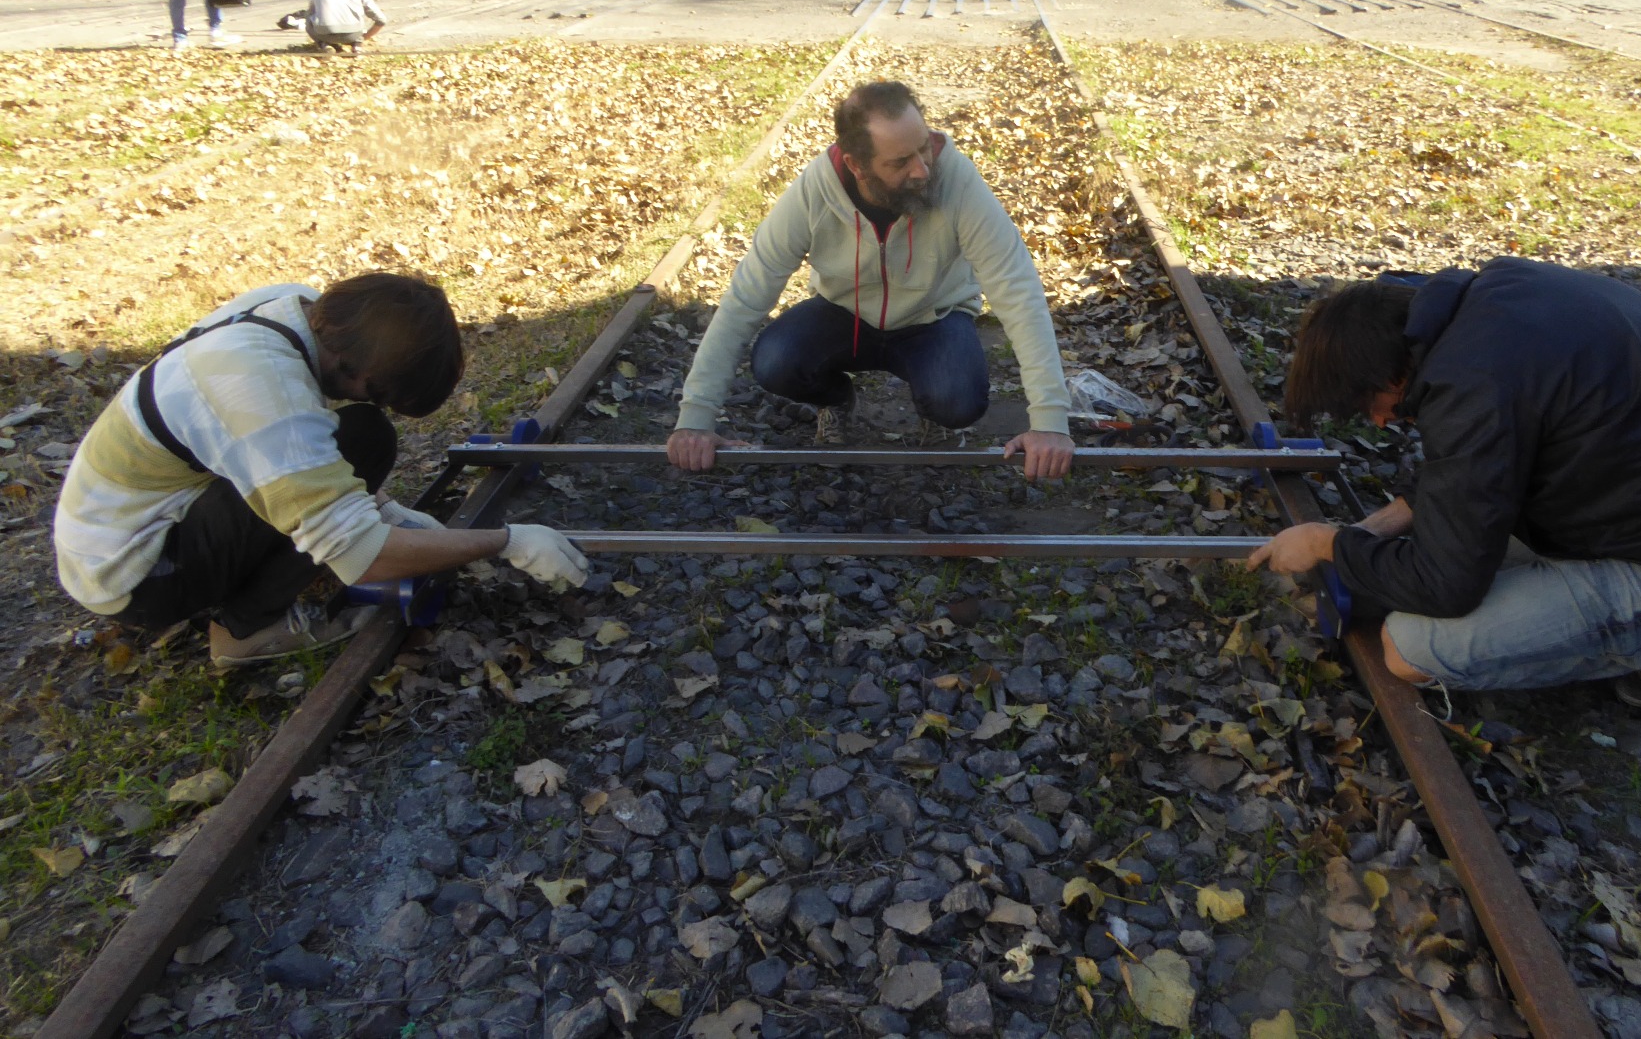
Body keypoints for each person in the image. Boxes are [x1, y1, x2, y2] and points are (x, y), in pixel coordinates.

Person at [1248, 257, 1641, 708]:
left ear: (1391, 376)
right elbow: (1476, 463)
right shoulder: (1484, 306)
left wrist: (1327, 542)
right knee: (1415, 559)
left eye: (1372, 406)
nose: (1379, 421)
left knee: (1410, 647)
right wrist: (1371, 529)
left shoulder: (1476, 387)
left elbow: (1446, 586)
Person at [54, 274, 590, 667]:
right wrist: (506, 541)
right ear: (349, 365)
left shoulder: (293, 309)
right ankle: (243, 631)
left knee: (360, 433)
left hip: (149, 512)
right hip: (136, 574)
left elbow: (271, 453)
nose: (376, 404)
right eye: (377, 393)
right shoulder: (265, 390)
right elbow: (362, 557)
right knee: (364, 438)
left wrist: (381, 509)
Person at [666, 80, 1076, 480]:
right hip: (843, 315)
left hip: (932, 318)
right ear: (857, 166)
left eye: (924, 148)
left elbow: (1017, 291)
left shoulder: (956, 179)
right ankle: (837, 399)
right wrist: (695, 419)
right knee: (776, 361)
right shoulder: (815, 192)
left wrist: (1050, 422)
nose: (922, 169)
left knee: (957, 400)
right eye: (900, 162)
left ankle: (935, 416)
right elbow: (745, 298)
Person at [305, 0, 387, 54]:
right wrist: (364, 37)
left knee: (308, 17)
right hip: (352, 35)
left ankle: (324, 45)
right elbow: (381, 20)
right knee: (359, 17)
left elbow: (311, 12)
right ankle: (357, 46)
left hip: (324, 34)